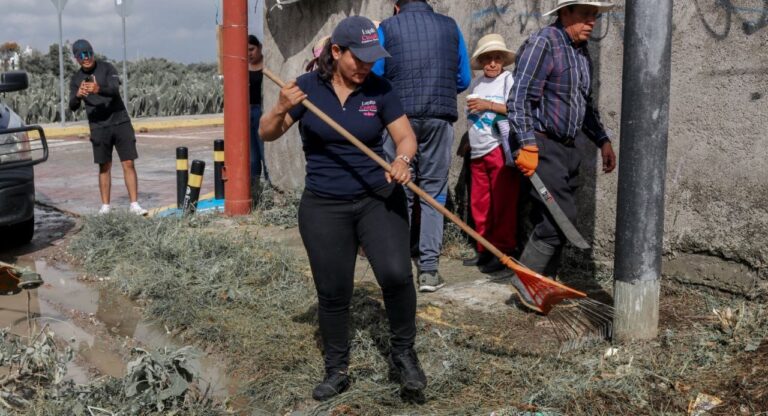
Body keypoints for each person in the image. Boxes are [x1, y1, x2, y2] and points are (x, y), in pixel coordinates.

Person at [259, 16, 426, 402]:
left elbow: (405, 137)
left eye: (372, 59)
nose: (367, 67)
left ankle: (404, 355)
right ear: (336, 52)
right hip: (325, 205)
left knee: (397, 274)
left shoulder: (380, 90)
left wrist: (402, 160)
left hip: (377, 197)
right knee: (333, 291)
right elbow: (267, 132)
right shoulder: (306, 89)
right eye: (359, 59)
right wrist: (281, 106)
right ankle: (337, 369)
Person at [507, 0, 618, 304]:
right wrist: (527, 143)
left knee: (556, 218)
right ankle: (526, 281)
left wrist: (603, 140)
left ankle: (543, 284)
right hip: (542, 143)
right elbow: (518, 98)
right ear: (565, 13)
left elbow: (586, 107)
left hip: (568, 149)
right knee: (561, 218)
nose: (591, 21)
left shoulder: (581, 55)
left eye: (594, 16)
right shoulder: (544, 43)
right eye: (585, 14)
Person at [373, 0, 472, 293]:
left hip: (398, 119)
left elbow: (376, 73)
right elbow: (464, 78)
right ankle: (428, 271)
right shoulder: (451, 26)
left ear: (396, 6)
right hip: (439, 119)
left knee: (400, 187)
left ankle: (400, 263)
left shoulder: (388, 29)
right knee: (433, 193)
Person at [460, 34, 519, 274]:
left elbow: (515, 109)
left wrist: (489, 105)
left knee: (503, 203)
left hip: (499, 150)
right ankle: (484, 249)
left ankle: (503, 252)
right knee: (480, 203)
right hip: (478, 151)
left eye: (497, 58)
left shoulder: (508, 80)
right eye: (487, 59)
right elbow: (471, 114)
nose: (492, 63)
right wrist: (469, 140)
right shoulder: (476, 84)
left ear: (503, 60)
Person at [68, 39, 147, 215]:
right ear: (76, 58)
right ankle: (105, 207)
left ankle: (134, 204)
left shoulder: (107, 68)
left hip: (120, 121)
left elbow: (114, 90)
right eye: (81, 55)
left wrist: (98, 89)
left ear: (93, 53)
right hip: (98, 126)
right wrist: (78, 95)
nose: (86, 57)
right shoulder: (75, 79)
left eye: (88, 53)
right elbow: (72, 106)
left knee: (128, 162)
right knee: (104, 166)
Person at [248, 35, 270, 188]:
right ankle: (255, 190)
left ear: (260, 47)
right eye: (246, 51)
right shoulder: (242, 67)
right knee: (252, 157)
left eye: (251, 49)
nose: (249, 53)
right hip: (247, 112)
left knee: (265, 153)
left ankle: (271, 187)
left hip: (263, 111)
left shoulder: (268, 65)